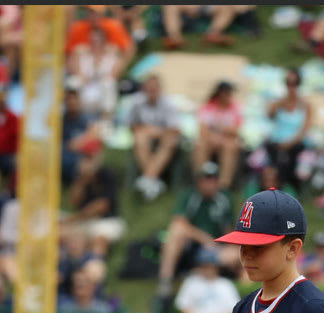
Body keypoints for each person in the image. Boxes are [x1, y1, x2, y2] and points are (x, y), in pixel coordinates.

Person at [155, 162, 239, 299]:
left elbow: (229, 231)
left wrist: (220, 246)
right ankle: (165, 281)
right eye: (205, 179)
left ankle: (200, 272)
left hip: (215, 248)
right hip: (190, 245)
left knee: (236, 253)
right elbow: (178, 224)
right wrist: (203, 238)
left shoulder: (224, 199)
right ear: (198, 182)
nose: (208, 183)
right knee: (174, 233)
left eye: (212, 179)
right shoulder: (189, 196)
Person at [123, 73, 181, 202]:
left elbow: (174, 129)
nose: (152, 91)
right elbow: (131, 125)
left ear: (160, 89)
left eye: (155, 88)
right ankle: (152, 181)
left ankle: (147, 179)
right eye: (149, 88)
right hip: (145, 135)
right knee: (140, 138)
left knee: (169, 141)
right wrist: (147, 130)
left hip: (164, 137)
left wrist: (156, 131)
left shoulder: (168, 103)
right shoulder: (136, 102)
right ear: (144, 89)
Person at [59, 146, 123, 259]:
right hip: (84, 221)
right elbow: (73, 201)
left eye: (91, 157)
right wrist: (82, 180)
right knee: (58, 231)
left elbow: (101, 206)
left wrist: (73, 219)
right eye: (86, 157)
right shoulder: (80, 176)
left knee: (100, 239)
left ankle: (94, 267)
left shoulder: (106, 175)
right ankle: (69, 267)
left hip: (106, 221)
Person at [256, 69, 311, 191]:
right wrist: (279, 103)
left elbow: (304, 130)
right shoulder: (279, 102)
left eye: (294, 83)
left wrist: (288, 143)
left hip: (294, 143)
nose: (291, 87)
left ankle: (285, 187)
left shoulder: (304, 105)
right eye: (288, 83)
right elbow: (269, 116)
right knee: (271, 156)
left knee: (288, 158)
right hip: (276, 141)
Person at [192, 81, 244, 189]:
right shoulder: (208, 107)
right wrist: (215, 136)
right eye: (227, 93)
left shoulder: (236, 107)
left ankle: (223, 185)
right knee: (200, 145)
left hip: (227, 141)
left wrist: (221, 131)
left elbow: (235, 130)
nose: (230, 96)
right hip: (209, 140)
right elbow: (202, 130)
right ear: (220, 93)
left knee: (229, 147)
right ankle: (201, 181)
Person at [68, 23, 122, 121]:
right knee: (72, 82)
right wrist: (76, 54)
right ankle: (71, 118)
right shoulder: (82, 54)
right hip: (85, 88)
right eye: (92, 39)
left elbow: (115, 74)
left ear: (103, 41)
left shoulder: (111, 55)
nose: (95, 42)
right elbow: (73, 70)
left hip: (102, 91)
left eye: (98, 40)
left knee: (108, 83)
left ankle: (106, 120)